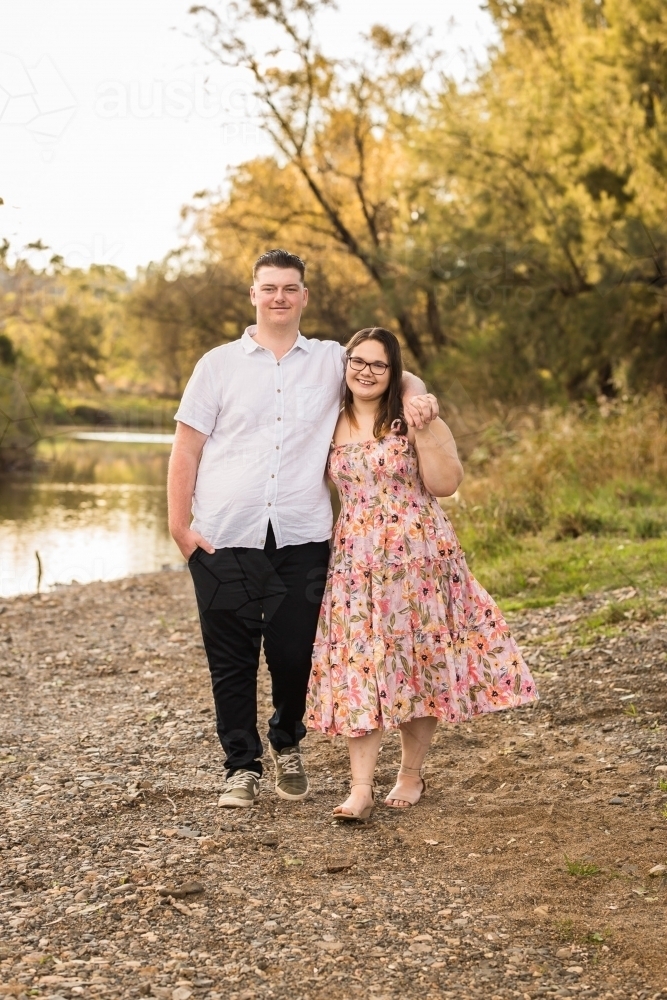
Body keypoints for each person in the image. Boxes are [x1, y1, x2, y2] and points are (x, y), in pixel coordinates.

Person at [167, 250, 436, 808]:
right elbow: (186, 448)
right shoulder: (216, 365)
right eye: (269, 288)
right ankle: (241, 767)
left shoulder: (329, 360)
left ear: (304, 297)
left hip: (302, 536)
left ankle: (287, 740)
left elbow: (392, 369)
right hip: (223, 535)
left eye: (290, 288)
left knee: (295, 654)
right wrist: (179, 527)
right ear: (253, 294)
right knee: (231, 660)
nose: (280, 297)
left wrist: (416, 397)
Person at [306, 327, 538, 821]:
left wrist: (424, 425)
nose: (366, 372)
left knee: (420, 660)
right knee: (360, 664)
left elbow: (446, 484)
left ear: (393, 372)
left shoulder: (411, 417)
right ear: (345, 364)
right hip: (356, 562)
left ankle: (411, 774)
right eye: (358, 362)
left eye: (379, 365)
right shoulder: (328, 418)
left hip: (421, 556)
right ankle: (360, 788)